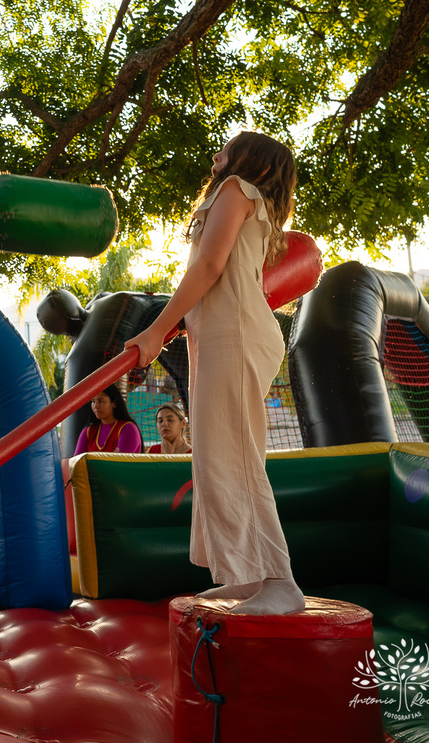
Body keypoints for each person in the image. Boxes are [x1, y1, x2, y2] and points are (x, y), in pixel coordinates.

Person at [125, 130, 305, 616]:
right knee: (214, 455)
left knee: (233, 455)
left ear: (255, 163)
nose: (216, 155)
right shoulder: (249, 203)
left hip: (237, 333)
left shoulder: (236, 190)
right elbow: (219, 278)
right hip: (226, 332)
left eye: (226, 148)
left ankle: (278, 580)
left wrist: (157, 330)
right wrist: (184, 323)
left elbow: (208, 265)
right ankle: (246, 576)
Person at [73, 383, 144, 454]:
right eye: (93, 401)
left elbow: (120, 464)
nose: (96, 406)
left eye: (100, 401)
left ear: (114, 403)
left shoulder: (128, 428)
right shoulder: (88, 431)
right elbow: (77, 463)